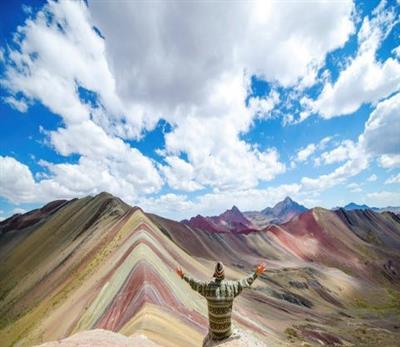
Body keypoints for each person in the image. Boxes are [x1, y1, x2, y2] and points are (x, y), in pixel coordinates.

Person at [176, 261, 266, 345]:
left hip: (214, 333)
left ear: (215, 273)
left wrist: (183, 275)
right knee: (233, 327)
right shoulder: (231, 287)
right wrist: (256, 273)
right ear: (223, 274)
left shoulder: (208, 288)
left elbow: (195, 283)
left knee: (206, 338)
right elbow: (245, 282)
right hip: (226, 332)